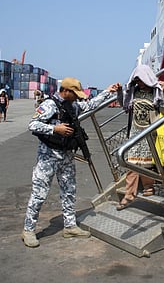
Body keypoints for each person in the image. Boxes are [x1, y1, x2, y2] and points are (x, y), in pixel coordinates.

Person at [22, 77, 121, 248]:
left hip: (66, 156)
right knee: (39, 194)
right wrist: (54, 128)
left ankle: (70, 226)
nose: (77, 97)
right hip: (48, 156)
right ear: (66, 91)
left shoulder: (72, 105)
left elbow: (90, 105)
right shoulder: (49, 105)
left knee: (69, 191)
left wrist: (107, 92)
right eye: (75, 93)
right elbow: (32, 124)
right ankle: (28, 230)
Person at [116, 65, 164, 210]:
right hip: (135, 133)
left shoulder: (157, 92)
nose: (140, 83)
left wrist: (163, 92)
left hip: (150, 133)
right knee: (131, 162)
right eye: (137, 80)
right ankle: (129, 195)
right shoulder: (134, 92)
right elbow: (124, 106)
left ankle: (148, 186)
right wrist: (120, 92)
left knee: (148, 163)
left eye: (142, 80)